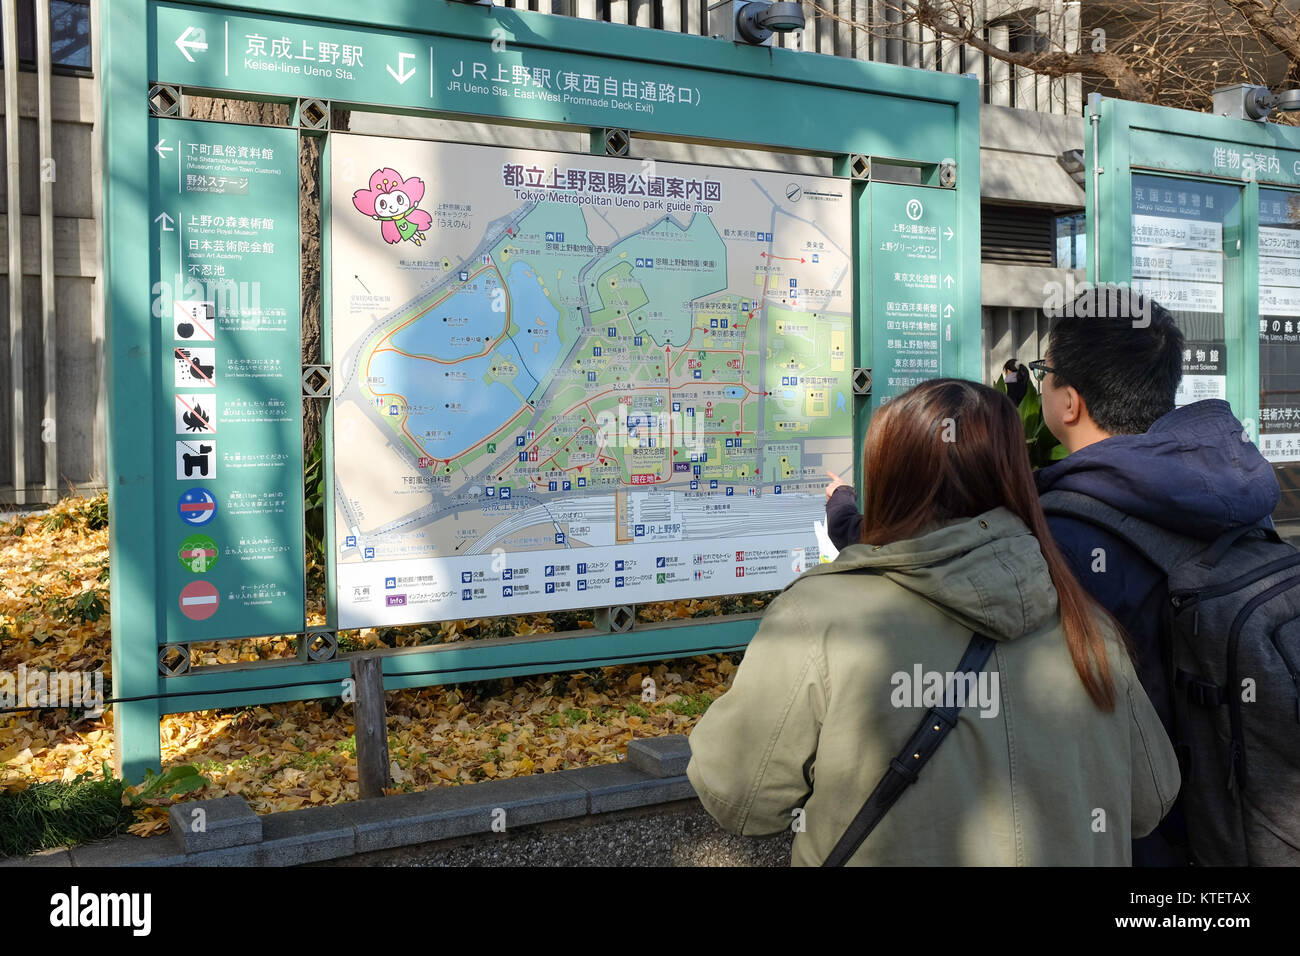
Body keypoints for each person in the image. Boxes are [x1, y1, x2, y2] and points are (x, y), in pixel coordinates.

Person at [823, 286, 1280, 865]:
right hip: (1233, 813)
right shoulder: (1240, 493)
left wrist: (847, 522)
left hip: (1132, 834)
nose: (1039, 384)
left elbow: (936, 566)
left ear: (1068, 403)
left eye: (1045, 372)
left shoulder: (1059, 530)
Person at [686, 378, 1180, 866]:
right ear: (1013, 474)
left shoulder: (819, 616)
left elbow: (737, 796)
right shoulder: (1083, 619)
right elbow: (1152, 798)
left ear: (888, 476)